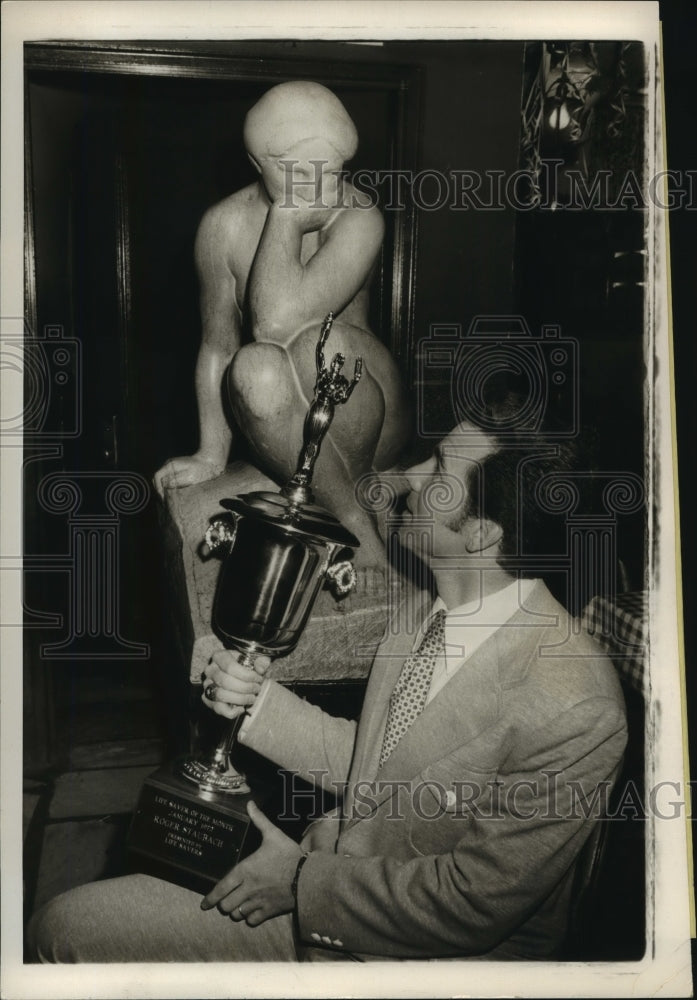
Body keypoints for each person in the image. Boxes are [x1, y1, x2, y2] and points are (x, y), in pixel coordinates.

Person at [29, 419, 627, 962]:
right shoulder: (429, 607)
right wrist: (255, 700)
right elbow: (382, 763)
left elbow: (469, 903)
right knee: (64, 926)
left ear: (481, 532)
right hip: (334, 880)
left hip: (421, 962)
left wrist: (298, 881)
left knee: (68, 937)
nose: (406, 476)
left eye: (439, 470)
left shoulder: (574, 701)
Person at [153, 81, 409, 567]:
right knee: (252, 370)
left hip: (362, 404)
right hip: (283, 411)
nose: (316, 183)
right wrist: (211, 453)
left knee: (317, 340)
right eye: (297, 171)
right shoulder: (222, 226)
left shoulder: (359, 215)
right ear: (256, 165)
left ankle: (354, 522)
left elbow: (280, 322)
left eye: (332, 170)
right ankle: (330, 501)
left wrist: (288, 214)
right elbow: (218, 346)